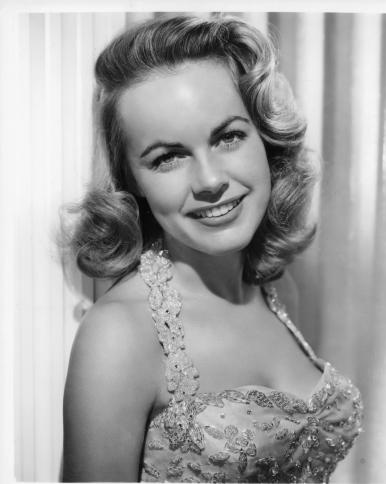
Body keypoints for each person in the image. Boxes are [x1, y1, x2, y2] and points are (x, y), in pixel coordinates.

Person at [62, 15, 363, 483]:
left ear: (265, 138)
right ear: (133, 181)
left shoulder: (279, 289)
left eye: (229, 137)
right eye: (167, 157)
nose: (210, 180)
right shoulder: (119, 335)